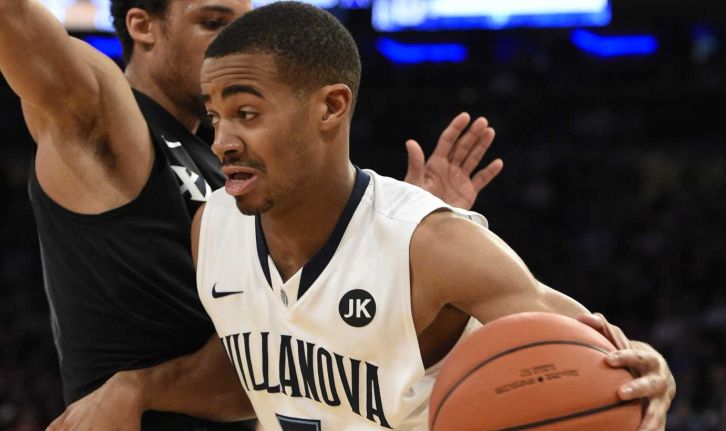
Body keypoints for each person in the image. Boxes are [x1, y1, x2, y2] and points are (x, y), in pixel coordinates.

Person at [44, 2, 674, 430]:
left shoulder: (434, 246)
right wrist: (140, 387)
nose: (223, 140)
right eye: (215, 116)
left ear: (331, 107)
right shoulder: (214, 227)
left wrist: (650, 367)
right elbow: (247, 364)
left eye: (247, 113)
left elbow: (597, 353)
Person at [0, 0, 502, 429]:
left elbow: (266, 350)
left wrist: (397, 244)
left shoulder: (231, 170)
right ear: (142, 26)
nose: (233, 45)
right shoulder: (108, 125)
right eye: (214, 23)